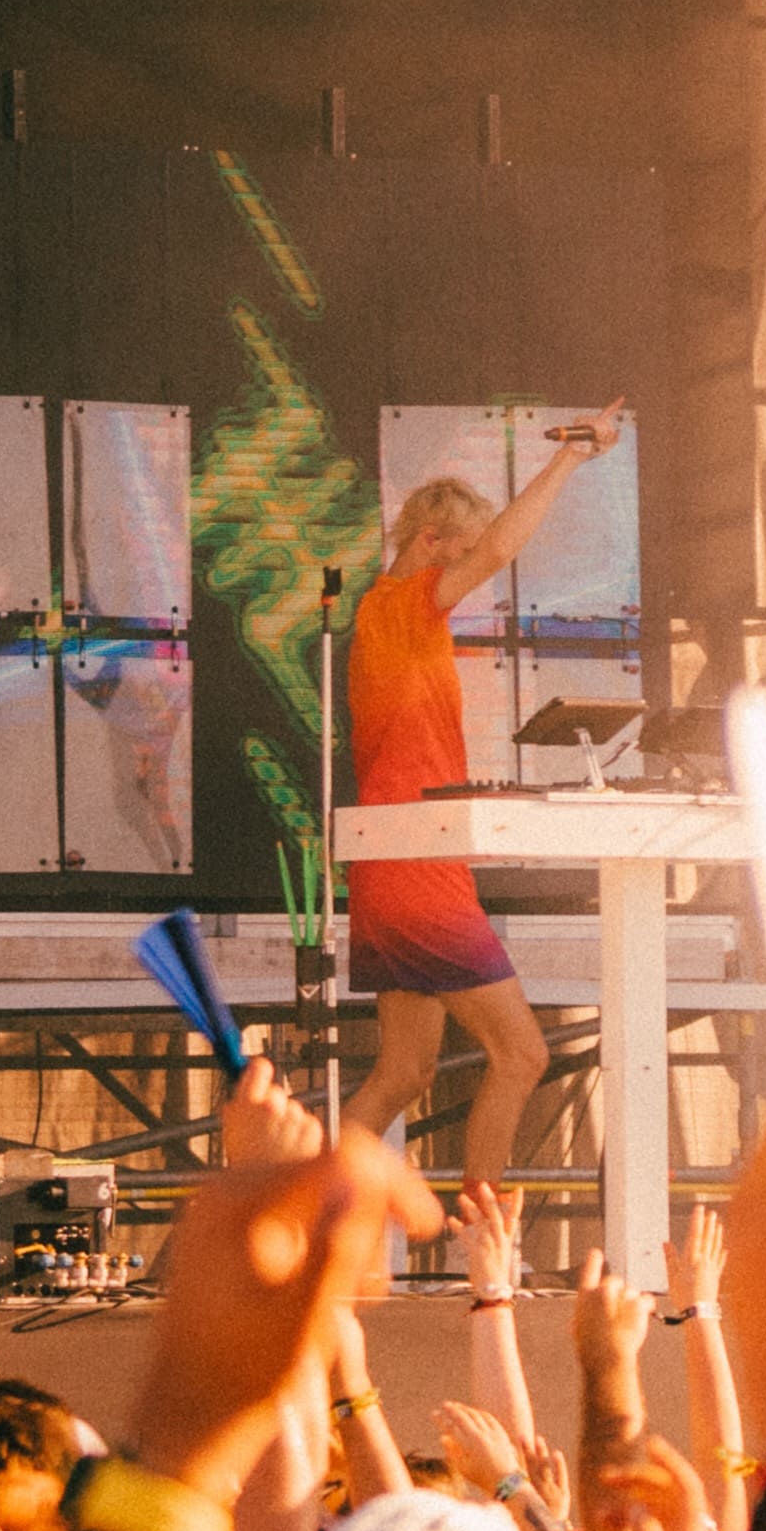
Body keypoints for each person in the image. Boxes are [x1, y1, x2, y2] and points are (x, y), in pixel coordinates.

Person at [334, 406, 629, 1202]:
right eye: (459, 558)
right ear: (431, 543)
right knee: (523, 1055)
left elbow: (489, 543)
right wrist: (571, 456)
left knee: (402, 1072)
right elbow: (503, 543)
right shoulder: (401, 604)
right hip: (418, 868)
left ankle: (307, 1219)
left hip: (396, 864)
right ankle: (484, 1235)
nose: (470, 575)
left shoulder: (380, 616)